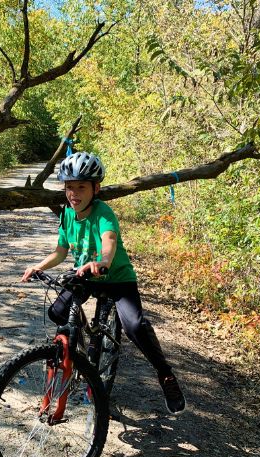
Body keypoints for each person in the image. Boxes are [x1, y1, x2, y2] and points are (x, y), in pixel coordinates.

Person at [20, 151, 186, 414]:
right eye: (69, 187)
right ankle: (81, 346)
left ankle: (165, 375)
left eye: (81, 187)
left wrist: (103, 260)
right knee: (58, 312)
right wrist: (37, 267)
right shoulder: (67, 214)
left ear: (95, 188)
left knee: (134, 325)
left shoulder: (104, 213)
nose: (74, 193)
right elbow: (61, 252)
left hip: (117, 278)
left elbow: (108, 242)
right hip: (86, 274)